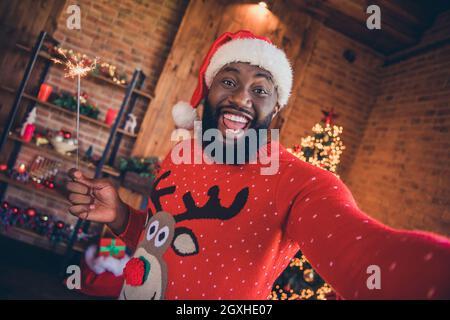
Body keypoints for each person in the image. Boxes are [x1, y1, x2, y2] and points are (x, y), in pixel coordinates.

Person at [66, 30, 450, 300]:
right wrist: (120, 217)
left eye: (261, 89)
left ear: (276, 107)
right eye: (228, 81)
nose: (241, 99)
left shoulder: (299, 182)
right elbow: (159, 247)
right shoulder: (181, 154)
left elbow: (366, 257)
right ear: (209, 89)